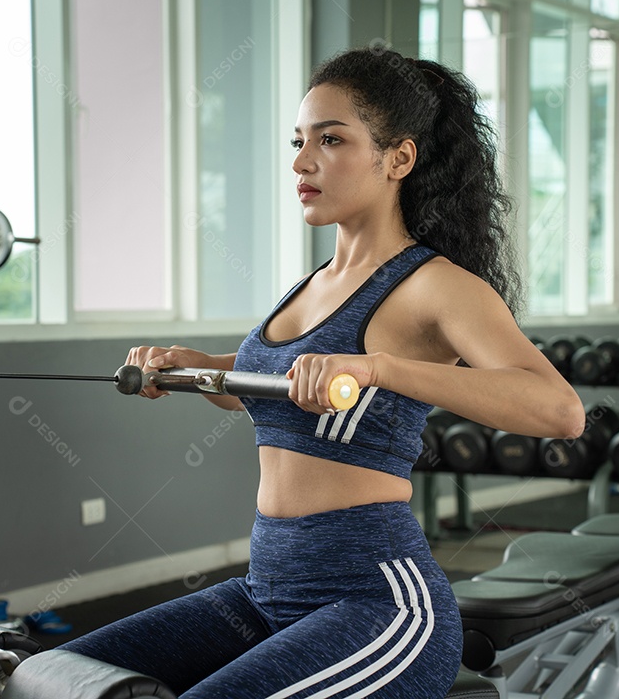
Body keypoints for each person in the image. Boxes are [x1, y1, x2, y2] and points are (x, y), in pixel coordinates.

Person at [61, 47, 585, 698]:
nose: (301, 162)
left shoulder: (436, 287)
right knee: (60, 681)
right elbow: (280, 392)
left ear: (398, 158)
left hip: (378, 604)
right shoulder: (313, 286)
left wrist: (381, 369)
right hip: (265, 592)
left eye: (331, 140)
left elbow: (559, 410)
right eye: (299, 140)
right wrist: (202, 370)